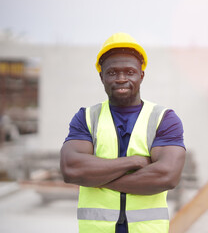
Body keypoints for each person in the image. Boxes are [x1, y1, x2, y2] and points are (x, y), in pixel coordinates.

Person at [60, 32, 186, 233]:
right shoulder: (86, 117)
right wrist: (134, 162)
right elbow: (71, 169)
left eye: (129, 71)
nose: (120, 79)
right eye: (112, 73)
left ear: (141, 75)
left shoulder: (164, 118)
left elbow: (167, 176)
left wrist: (99, 180)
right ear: (101, 76)